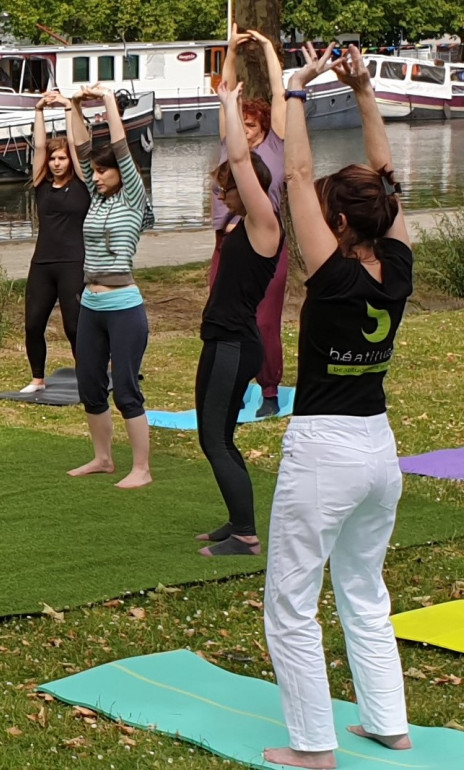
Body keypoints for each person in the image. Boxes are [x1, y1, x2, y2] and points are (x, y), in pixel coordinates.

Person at [262, 44, 414, 769]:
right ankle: (389, 723)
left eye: (327, 212)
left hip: (325, 447)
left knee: (291, 603)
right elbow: (387, 182)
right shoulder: (399, 265)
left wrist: (296, 90)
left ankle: (314, 747)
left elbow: (293, 172)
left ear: (344, 229)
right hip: (380, 449)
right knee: (362, 588)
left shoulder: (332, 276)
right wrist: (361, 91)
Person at [195, 81, 283, 557]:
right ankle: (237, 520)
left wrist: (229, 105)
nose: (221, 192)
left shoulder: (263, 221)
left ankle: (247, 537)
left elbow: (244, 162)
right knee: (219, 435)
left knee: (213, 437)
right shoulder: (244, 225)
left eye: (227, 185)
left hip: (234, 343)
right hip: (223, 339)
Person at [64, 84, 154, 489]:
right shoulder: (97, 199)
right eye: (94, 172)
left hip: (123, 305)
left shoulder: (133, 197)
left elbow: (120, 146)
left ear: (120, 173)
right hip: (91, 305)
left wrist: (108, 104)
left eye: (103, 171)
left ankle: (142, 469)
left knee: (127, 390)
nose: (96, 177)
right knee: (89, 385)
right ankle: (102, 458)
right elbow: (81, 147)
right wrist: (73, 107)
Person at [213, 23, 290, 419]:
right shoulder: (231, 145)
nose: (244, 133)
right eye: (239, 126)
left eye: (251, 127)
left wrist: (267, 48)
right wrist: (230, 51)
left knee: (263, 320)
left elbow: (280, 93)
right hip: (227, 244)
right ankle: (234, 384)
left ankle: (270, 389)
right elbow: (225, 89)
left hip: (265, 243)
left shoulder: (276, 145)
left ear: (263, 128)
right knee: (227, 318)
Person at [21, 89, 88, 394]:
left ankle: (87, 375)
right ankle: (37, 378)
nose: (57, 163)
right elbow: (37, 147)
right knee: (34, 323)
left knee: (74, 327)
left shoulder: (82, 185)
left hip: (73, 262)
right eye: (53, 158)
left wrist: (66, 108)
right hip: (43, 263)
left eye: (61, 158)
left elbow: (76, 144)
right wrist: (38, 111)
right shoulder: (41, 185)